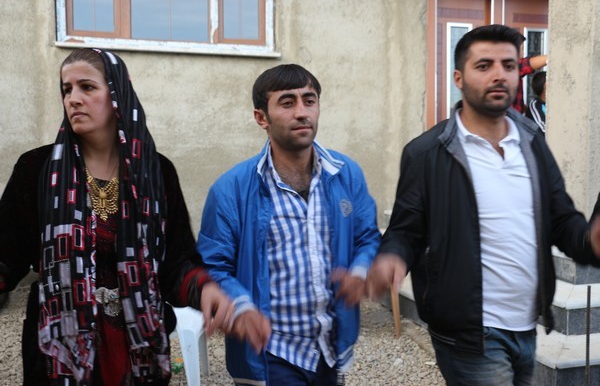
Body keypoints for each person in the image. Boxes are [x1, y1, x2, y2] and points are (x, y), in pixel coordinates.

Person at [365, 25, 600, 386]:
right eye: (484, 65)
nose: (499, 75)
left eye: (509, 65)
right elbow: (405, 231)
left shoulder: (532, 142)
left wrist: (588, 242)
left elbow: (562, 220)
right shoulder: (427, 153)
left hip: (527, 326)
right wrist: (391, 259)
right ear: (458, 78)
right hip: (468, 335)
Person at [0, 48, 234, 385]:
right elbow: (6, 254)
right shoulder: (37, 169)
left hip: (138, 349)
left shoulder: (156, 172)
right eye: (66, 89)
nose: (73, 99)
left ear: (117, 92)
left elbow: (176, 261)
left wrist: (205, 290)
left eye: (87, 87)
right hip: (59, 353)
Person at [197, 64, 381, 385]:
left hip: (330, 348)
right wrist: (241, 307)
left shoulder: (345, 174)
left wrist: (360, 271)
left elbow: (367, 237)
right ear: (261, 118)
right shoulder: (232, 189)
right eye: (287, 103)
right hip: (270, 352)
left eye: (309, 101)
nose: (301, 112)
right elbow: (212, 265)